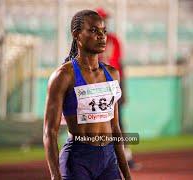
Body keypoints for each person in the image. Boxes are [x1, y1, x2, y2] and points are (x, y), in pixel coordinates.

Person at [43, 10, 132, 180]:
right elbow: (50, 132)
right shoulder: (63, 76)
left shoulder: (112, 74)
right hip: (78, 159)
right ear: (77, 35)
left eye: (103, 31)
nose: (101, 36)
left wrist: (127, 174)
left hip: (108, 160)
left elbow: (115, 128)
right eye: (93, 30)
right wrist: (55, 176)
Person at [96, 7, 141, 170]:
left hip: (113, 87)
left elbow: (119, 67)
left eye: (104, 19)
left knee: (118, 124)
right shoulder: (89, 41)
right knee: (96, 125)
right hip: (96, 89)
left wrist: (123, 90)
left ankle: (126, 157)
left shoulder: (114, 40)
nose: (103, 22)